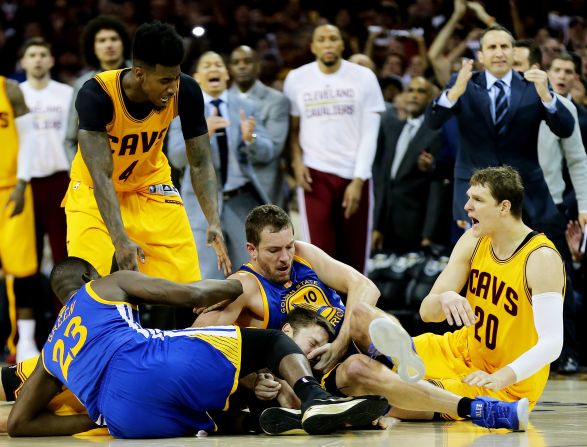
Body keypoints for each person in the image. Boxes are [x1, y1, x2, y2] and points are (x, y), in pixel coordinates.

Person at [195, 204, 530, 432]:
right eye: (273, 251)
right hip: (318, 371)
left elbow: (364, 285)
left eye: (288, 246)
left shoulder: (304, 255)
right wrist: (251, 379)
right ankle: (479, 410)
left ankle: (396, 360)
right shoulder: (243, 287)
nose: (285, 257)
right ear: (251, 249)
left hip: (353, 339)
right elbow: (197, 344)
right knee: (363, 375)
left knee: (361, 310)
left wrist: (341, 343)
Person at [7, 257, 388, 438]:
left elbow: (21, 425)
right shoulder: (103, 286)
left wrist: (94, 420)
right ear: (90, 276)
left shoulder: (52, 345)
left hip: (124, 420)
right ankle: (314, 398)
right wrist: (237, 285)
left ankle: (260, 422)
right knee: (271, 340)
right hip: (147, 362)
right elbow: (192, 293)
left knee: (212, 419)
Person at [65, 22, 229, 284]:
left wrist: (213, 221)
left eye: (176, 77)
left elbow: (199, 162)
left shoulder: (185, 91)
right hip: (95, 191)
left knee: (188, 286)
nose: (173, 87)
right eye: (165, 80)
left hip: (150, 185)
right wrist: (120, 240)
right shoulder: (97, 95)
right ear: (139, 74)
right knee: (90, 286)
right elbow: (102, 178)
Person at [416, 166, 564, 412]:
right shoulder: (473, 240)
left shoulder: (541, 258)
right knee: (373, 357)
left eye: (477, 200)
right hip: (462, 352)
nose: (467, 207)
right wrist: (445, 297)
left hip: (507, 382)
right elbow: (426, 313)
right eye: (468, 198)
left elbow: (552, 343)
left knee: (399, 394)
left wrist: (502, 377)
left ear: (504, 207)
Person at [426, 24, 575, 237]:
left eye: (504, 46)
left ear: (513, 52)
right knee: (476, 264)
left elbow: (565, 129)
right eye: (492, 47)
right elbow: (432, 122)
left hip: (526, 195)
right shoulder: (463, 84)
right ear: (481, 55)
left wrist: (548, 98)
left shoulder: (533, 85)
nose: (498, 52)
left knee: (526, 263)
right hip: (474, 192)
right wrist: (453, 94)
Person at [284, 24, 385, 274]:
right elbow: (293, 130)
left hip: (355, 175)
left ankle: (355, 311)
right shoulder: (296, 78)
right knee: (318, 254)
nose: (328, 44)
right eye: (322, 39)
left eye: (333, 39)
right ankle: (323, 312)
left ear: (342, 44)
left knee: (354, 257)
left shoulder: (364, 77)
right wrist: (296, 162)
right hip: (315, 175)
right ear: (313, 47)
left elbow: (370, 134)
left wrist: (359, 180)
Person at [513, 42, 587, 374]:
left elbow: (579, 161)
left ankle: (567, 352)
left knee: (558, 283)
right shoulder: (505, 103)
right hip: (507, 208)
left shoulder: (562, 109)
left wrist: (584, 205)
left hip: (549, 207)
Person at [167, 51, 273, 281]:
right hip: (202, 204)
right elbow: (175, 157)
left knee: (252, 274)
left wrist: (251, 138)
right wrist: (202, 133)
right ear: (196, 77)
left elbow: (268, 152)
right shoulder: (183, 110)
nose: (213, 68)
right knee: (208, 276)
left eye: (218, 64)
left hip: (241, 201)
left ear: (226, 74)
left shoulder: (247, 107)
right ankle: (212, 319)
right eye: (207, 65)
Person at [19, 37, 73, 314]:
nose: (38, 59)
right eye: (32, 54)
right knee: (26, 257)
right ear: (24, 61)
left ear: (51, 60)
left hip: (60, 179)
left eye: (43, 54)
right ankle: (29, 331)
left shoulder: (66, 93)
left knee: (63, 256)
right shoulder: (15, 93)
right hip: (24, 184)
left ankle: (64, 320)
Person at [372, 77, 444, 254]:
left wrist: (428, 233)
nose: (414, 96)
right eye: (410, 90)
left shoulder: (438, 133)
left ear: (431, 98)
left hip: (416, 228)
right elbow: (384, 180)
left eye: (421, 92)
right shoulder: (392, 128)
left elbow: (437, 187)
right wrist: (377, 225)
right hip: (387, 225)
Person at [0, 71, 42, 362]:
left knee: (23, 266)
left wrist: (22, 182)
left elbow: (29, 139)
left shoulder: (9, 88)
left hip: (10, 189)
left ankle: (25, 343)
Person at [228, 45, 290, 208]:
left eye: (247, 61)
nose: (241, 66)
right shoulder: (221, 101)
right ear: (230, 69)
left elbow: (274, 150)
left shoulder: (277, 100)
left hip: (264, 187)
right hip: (228, 189)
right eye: (236, 62)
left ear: (258, 66)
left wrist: (251, 139)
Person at [64, 15, 131, 161]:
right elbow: (70, 138)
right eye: (102, 40)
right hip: (99, 170)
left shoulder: (143, 76)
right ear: (92, 47)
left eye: (114, 39)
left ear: (123, 43)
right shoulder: (82, 84)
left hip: (142, 169)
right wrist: (79, 175)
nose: (109, 45)